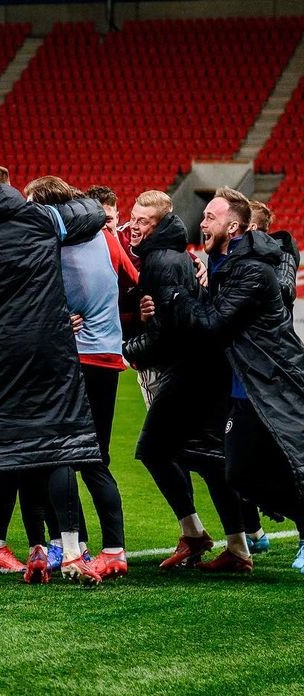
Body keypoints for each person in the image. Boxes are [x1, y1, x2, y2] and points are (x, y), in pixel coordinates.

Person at [0, 164, 106, 584]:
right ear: (9, 190)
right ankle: (72, 553)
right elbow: (93, 214)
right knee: (59, 446)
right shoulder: (39, 218)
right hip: (48, 348)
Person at [161, 186, 304, 575]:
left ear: (235, 226)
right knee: (240, 473)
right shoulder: (227, 267)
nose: (202, 222)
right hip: (247, 387)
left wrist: (177, 296)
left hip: (273, 383)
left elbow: (212, 324)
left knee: (286, 464)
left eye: (210, 216)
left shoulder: (253, 271)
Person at [123, 189, 251, 571]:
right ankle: (237, 546)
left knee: (154, 450)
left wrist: (129, 348)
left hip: (190, 370)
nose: (135, 227)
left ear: (159, 224)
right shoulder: (173, 256)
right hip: (204, 368)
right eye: (134, 217)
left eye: (144, 221)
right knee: (209, 460)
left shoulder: (162, 261)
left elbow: (170, 333)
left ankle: (198, 534)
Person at [24, 176, 129, 579]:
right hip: (107, 357)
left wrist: (53, 318)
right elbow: (133, 283)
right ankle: (112, 549)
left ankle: (72, 546)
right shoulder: (106, 239)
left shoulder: (56, 244)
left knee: (60, 455)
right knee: (95, 459)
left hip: (79, 358)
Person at [249, 200, 300, 313]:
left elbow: (286, 290)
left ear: (252, 227)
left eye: (242, 220)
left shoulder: (282, 253)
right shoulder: (234, 253)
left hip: (272, 327)